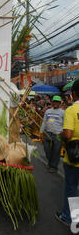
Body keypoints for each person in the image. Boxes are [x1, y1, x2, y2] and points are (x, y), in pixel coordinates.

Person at [56, 80, 79, 226]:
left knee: (71, 187)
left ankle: (69, 217)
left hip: (74, 157)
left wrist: (61, 134)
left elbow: (68, 134)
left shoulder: (71, 110)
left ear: (74, 94)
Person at [40, 96, 65, 174]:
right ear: (52, 102)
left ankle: (53, 167)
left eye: (57, 102)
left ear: (60, 103)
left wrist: (63, 132)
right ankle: (50, 163)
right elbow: (44, 122)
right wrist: (41, 132)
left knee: (56, 151)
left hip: (57, 134)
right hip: (48, 133)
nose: (55, 103)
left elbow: (65, 124)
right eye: (54, 101)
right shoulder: (48, 111)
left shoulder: (63, 112)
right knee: (47, 149)